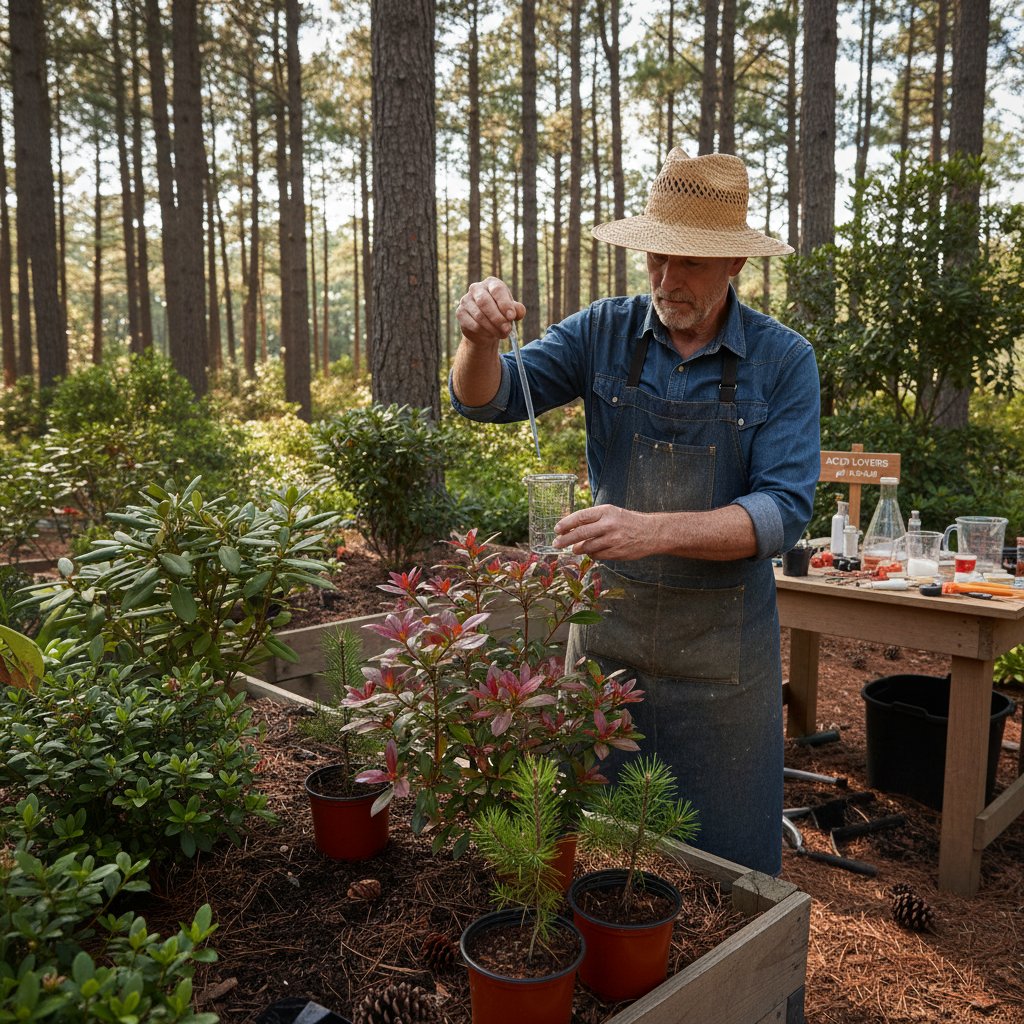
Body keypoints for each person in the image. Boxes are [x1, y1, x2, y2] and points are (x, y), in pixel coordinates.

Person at [449, 148, 820, 874]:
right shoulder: (603, 333)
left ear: (735, 267)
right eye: (657, 257)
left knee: (732, 884)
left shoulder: (783, 361)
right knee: (594, 866)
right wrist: (477, 339)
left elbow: (782, 513)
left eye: (690, 264)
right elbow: (486, 399)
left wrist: (649, 529)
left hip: (724, 671)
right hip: (605, 652)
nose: (666, 279)